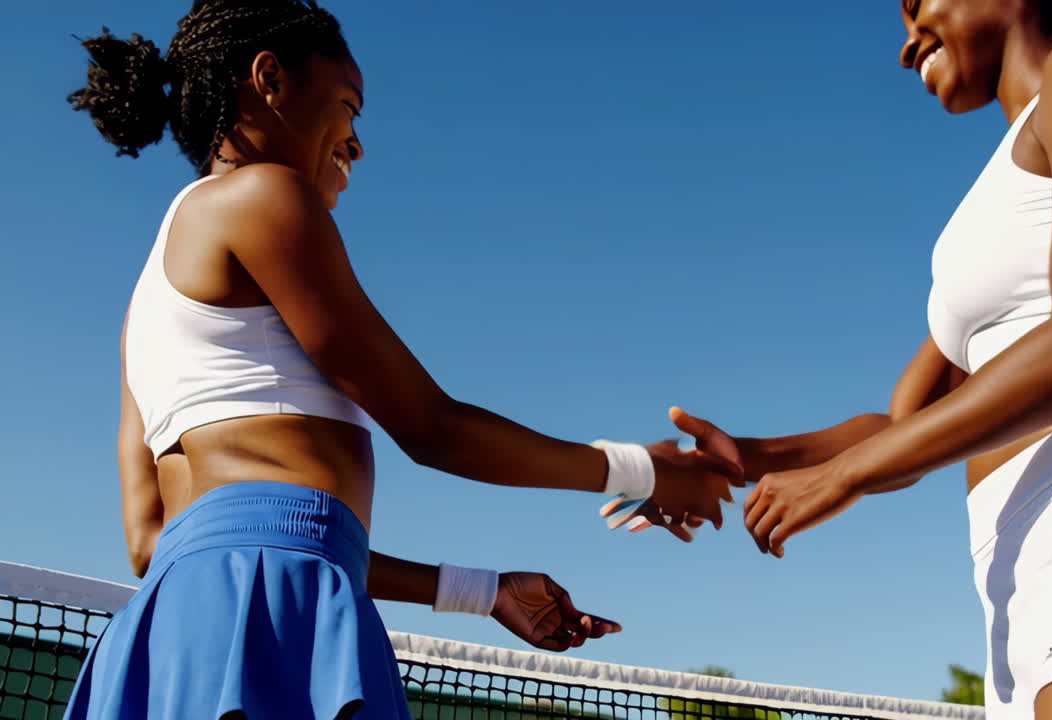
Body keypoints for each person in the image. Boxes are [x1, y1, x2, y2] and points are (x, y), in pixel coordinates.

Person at [65, 1, 736, 717]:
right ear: (269, 80)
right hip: (278, 616)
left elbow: (152, 543)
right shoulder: (265, 195)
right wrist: (643, 471)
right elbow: (431, 427)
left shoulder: (142, 312)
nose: (355, 141)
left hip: (167, 638)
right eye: (348, 106)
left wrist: (483, 592)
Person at [663, 0, 1052, 717]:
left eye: (917, 5)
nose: (904, 45)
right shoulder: (994, 199)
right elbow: (907, 426)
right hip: (1017, 587)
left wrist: (844, 476)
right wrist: (750, 455)